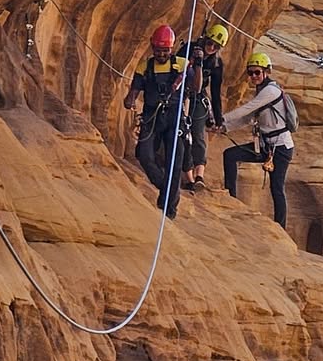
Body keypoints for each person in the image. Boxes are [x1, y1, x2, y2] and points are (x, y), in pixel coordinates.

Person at [123, 25, 199, 218]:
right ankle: (166, 188)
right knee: (144, 154)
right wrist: (130, 100)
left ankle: (169, 208)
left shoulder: (182, 65)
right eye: (158, 50)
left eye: (165, 50)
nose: (161, 54)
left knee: (175, 159)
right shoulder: (145, 66)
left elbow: (196, 88)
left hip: (174, 117)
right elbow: (134, 90)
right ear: (152, 48)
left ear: (171, 48)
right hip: (152, 117)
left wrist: (197, 65)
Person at [220, 51, 294, 227]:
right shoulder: (262, 91)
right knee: (230, 155)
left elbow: (247, 109)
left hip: (281, 147)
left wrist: (221, 118)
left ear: (266, 71)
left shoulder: (270, 90)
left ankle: (280, 227)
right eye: (250, 73)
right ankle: (231, 199)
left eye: (257, 72)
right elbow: (249, 118)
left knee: (276, 187)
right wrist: (224, 127)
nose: (253, 76)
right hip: (265, 146)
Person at [178, 22, 227, 191]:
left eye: (215, 46)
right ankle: (188, 177)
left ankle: (199, 175)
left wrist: (218, 117)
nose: (211, 48)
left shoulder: (216, 64)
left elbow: (215, 90)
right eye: (209, 43)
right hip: (181, 93)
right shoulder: (189, 49)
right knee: (182, 135)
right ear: (205, 39)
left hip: (198, 98)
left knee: (198, 135)